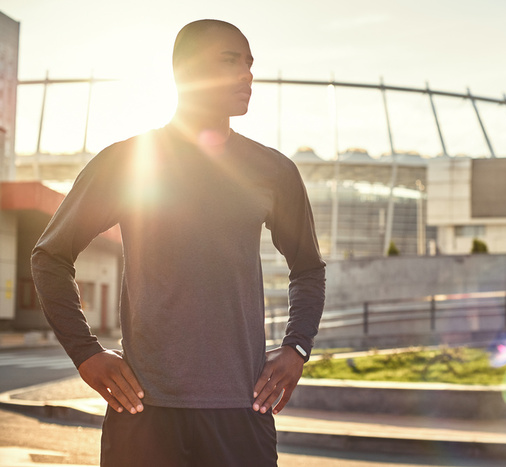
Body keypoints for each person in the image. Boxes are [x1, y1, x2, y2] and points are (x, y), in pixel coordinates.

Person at [31, 19, 325, 467]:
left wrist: (297, 347)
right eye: (231, 61)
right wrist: (86, 353)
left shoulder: (274, 172)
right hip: (144, 413)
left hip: (241, 412)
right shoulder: (129, 160)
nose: (247, 75)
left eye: (249, 64)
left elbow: (308, 268)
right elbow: (49, 256)